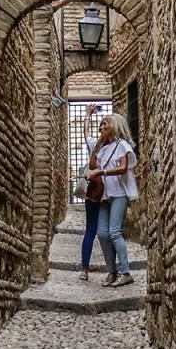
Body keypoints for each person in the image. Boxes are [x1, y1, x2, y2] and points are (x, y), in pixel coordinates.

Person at [86, 113, 139, 287]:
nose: (101, 128)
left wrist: (103, 173)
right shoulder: (103, 149)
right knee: (102, 233)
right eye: (100, 125)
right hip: (104, 195)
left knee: (114, 232)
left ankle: (126, 272)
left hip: (119, 194)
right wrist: (97, 146)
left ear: (114, 126)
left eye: (105, 125)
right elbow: (93, 165)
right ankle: (112, 272)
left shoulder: (122, 145)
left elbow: (123, 168)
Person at [77, 105, 103, 281]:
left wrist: (87, 116)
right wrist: (87, 116)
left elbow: (86, 133)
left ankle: (85, 269)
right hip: (99, 193)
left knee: (97, 231)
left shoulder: (98, 145)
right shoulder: (102, 145)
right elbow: (87, 133)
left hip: (100, 194)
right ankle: (86, 268)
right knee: (96, 230)